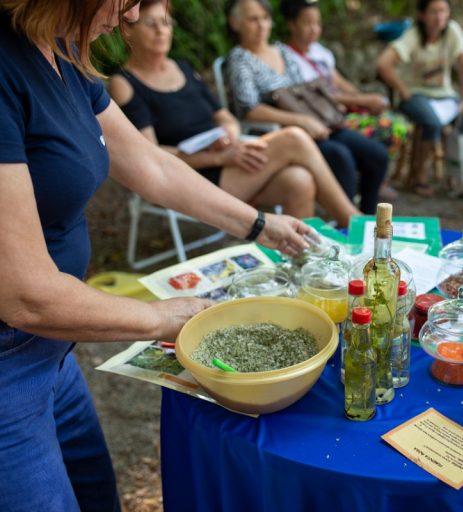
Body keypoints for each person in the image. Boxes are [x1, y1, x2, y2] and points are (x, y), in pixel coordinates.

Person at [0, 1, 313, 510]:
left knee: (97, 493)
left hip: (53, 352)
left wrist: (258, 224)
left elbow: (151, 166)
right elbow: (25, 295)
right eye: (130, 0)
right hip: (9, 362)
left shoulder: (60, 54)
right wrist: (165, 316)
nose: (132, 17)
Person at [109, 0, 360, 228]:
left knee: (299, 180)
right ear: (128, 30)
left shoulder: (183, 68)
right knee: (293, 137)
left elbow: (224, 116)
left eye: (166, 23)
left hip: (227, 159)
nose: (161, 31)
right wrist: (219, 157)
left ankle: (303, 264)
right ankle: (354, 222)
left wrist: (230, 134)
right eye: (151, 24)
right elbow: (152, 155)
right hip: (189, 176)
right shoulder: (125, 83)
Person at [226, 0, 389, 214]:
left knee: (376, 155)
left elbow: (307, 90)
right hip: (282, 134)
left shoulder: (282, 51)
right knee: (341, 157)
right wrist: (301, 121)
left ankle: (369, 219)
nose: (261, 25)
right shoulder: (240, 60)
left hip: (317, 124)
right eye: (253, 19)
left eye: (265, 18)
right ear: (235, 23)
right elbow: (250, 110)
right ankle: (349, 224)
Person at [279, 0, 411, 201]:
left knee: (395, 125)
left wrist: (363, 98)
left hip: (341, 111)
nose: (314, 29)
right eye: (307, 23)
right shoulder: (288, 59)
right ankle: (369, 180)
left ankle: (372, 183)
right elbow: (311, 99)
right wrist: (363, 100)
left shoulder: (320, 52)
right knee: (389, 128)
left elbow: (339, 82)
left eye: (317, 23)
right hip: (326, 118)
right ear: (291, 24)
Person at [376, 0, 463, 200]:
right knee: (431, 122)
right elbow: (384, 64)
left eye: (443, 11)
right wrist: (402, 90)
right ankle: (419, 176)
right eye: (434, 11)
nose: (440, 17)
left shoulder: (452, 31)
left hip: (445, 97)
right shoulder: (413, 35)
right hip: (416, 96)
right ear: (422, 15)